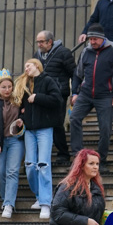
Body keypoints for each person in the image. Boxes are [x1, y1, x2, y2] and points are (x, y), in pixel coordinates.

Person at [70, 24, 113, 167]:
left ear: (102, 38)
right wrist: (75, 93)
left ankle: (101, 160)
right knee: (74, 118)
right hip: (85, 94)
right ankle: (78, 156)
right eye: (90, 39)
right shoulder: (86, 51)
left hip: (106, 95)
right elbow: (78, 74)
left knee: (105, 128)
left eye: (95, 39)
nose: (92, 42)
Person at [14, 58, 61, 220]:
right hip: (29, 130)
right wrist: (22, 116)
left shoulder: (48, 81)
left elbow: (57, 100)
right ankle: (40, 196)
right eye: (25, 66)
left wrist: (38, 97)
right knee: (29, 166)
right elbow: (22, 105)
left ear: (37, 66)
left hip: (44, 129)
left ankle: (46, 203)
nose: (26, 68)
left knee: (43, 164)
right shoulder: (25, 84)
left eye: (29, 65)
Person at [0, 69, 24, 219]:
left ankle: (9, 204)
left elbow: (25, 113)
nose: (7, 90)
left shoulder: (18, 98)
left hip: (15, 140)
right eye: (4, 87)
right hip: (1, 141)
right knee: (0, 173)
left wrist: (22, 118)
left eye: (9, 86)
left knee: (12, 171)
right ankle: (5, 199)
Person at [34, 30, 75, 164]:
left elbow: (74, 73)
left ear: (49, 42)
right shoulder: (37, 56)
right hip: (41, 95)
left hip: (59, 94)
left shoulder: (64, 53)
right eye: (38, 42)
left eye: (41, 41)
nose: (38, 44)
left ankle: (63, 153)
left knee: (57, 123)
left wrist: (75, 92)